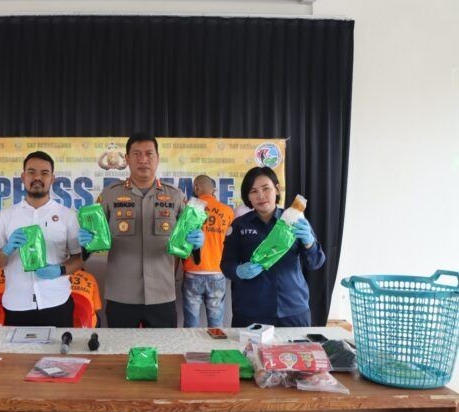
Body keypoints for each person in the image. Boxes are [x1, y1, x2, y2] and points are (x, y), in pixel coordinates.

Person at [79, 132, 204, 328]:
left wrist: (196, 244)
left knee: (164, 346)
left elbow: (188, 239)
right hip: (121, 293)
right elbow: (93, 240)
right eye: (136, 154)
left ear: (158, 158)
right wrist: (86, 243)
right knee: (120, 346)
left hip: (162, 292)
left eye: (149, 154)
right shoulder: (110, 195)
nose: (143, 159)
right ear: (127, 159)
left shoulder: (175, 196)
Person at [0, 151, 82, 327]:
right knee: (17, 347)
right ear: (23, 177)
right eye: (31, 172)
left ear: (52, 179)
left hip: (56, 302)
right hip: (17, 305)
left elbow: (79, 258)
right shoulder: (6, 216)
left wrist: (60, 270)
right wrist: (6, 249)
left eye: (44, 173)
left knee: (58, 346)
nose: (38, 177)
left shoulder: (67, 215)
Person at [220, 166, 325, 327]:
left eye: (266, 188)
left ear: (277, 189)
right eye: (253, 191)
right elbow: (226, 265)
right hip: (250, 312)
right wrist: (239, 271)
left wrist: (309, 243)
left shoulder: (294, 220)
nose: (260, 196)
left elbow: (316, 263)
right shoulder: (239, 225)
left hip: (292, 309)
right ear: (248, 196)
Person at [181, 175, 234, 328]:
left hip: (192, 271)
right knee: (216, 324)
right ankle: (216, 344)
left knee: (191, 325)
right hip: (217, 272)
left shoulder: (189, 209)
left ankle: (190, 344)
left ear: (196, 188)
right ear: (213, 190)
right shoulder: (227, 211)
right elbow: (231, 243)